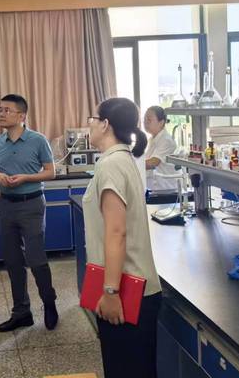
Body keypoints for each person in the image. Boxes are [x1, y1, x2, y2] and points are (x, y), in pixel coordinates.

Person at [83, 98, 162, 378]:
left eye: (92, 119)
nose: (89, 125)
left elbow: (116, 232)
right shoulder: (121, 159)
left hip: (126, 290)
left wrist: (110, 292)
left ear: (105, 124)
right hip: (131, 286)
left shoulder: (111, 165)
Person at [0, 94, 58, 332]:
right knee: (13, 261)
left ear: (21, 115)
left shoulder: (38, 140)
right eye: (0, 110)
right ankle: (21, 312)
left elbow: (50, 172)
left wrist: (26, 177)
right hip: (6, 205)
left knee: (36, 259)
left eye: (6, 110)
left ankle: (49, 303)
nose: (1, 114)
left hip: (32, 205)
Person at [143, 106, 179, 190]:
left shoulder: (166, 140)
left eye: (149, 120)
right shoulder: (152, 139)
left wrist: (131, 165)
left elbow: (153, 162)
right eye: (144, 119)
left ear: (161, 122)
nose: (145, 123)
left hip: (165, 189)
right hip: (154, 188)